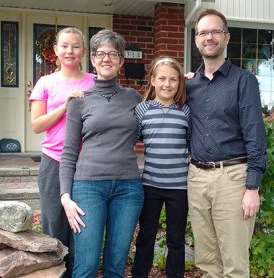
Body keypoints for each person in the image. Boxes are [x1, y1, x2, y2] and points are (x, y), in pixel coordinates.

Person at [185, 9, 267, 278]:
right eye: (203, 32)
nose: (209, 37)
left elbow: (255, 135)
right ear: (196, 39)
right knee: (207, 263)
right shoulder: (189, 85)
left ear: (226, 37)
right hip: (196, 178)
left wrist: (252, 187)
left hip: (233, 178)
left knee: (234, 265)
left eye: (215, 31)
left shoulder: (244, 82)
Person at [59, 29, 144, 278]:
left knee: (116, 266)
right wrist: (66, 196)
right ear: (93, 59)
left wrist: (187, 81)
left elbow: (161, 112)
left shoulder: (134, 98)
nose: (106, 58)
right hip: (88, 188)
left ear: (121, 61)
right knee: (86, 265)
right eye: (100, 53)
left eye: (113, 54)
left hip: (128, 188)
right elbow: (69, 152)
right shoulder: (79, 100)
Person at [29, 27, 94, 277]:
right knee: (54, 227)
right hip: (54, 163)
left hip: (86, 164)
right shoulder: (46, 82)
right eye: (65, 46)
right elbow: (37, 125)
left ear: (83, 51)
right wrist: (66, 106)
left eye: (76, 46)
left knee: (82, 226)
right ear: (55, 50)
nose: (70, 51)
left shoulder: (94, 82)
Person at [131, 56, 191, 278]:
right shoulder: (141, 110)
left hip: (179, 187)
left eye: (173, 80)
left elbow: (191, 144)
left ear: (179, 83)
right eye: (162, 78)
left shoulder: (185, 112)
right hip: (150, 185)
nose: (167, 84)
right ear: (153, 80)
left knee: (176, 239)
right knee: (146, 235)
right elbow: (129, 142)